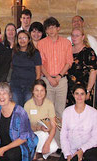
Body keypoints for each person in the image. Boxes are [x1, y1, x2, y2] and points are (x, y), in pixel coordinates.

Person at [37, 17, 73, 146]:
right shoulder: (41, 43)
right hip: (47, 80)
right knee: (47, 111)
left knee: (60, 111)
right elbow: (40, 63)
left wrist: (58, 77)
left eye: (53, 27)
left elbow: (69, 61)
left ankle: (59, 143)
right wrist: (50, 78)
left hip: (61, 80)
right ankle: (48, 143)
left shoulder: (66, 43)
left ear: (58, 28)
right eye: (48, 28)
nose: (50, 30)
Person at [0, 82, 38, 161]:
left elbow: (23, 139)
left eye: (4, 93)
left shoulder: (20, 112)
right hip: (2, 145)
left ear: (10, 95)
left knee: (11, 155)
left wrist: (4, 149)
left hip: (18, 146)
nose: (1, 96)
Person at [57, 84, 97, 161]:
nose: (79, 97)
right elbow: (63, 135)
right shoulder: (67, 111)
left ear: (86, 95)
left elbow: (95, 138)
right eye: (77, 93)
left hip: (87, 150)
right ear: (73, 95)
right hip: (71, 148)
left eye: (82, 94)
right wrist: (67, 154)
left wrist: (82, 150)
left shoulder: (93, 113)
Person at [24, 79, 58, 160]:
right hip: (31, 134)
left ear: (45, 91)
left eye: (42, 90)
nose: (39, 93)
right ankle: (33, 154)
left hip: (44, 134)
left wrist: (47, 143)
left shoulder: (49, 104)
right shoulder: (28, 105)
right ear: (33, 91)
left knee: (54, 147)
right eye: (37, 90)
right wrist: (38, 128)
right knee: (43, 134)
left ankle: (39, 153)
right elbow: (24, 127)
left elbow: (53, 126)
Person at [66, 28, 97, 107]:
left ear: (83, 37)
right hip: (69, 90)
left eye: (77, 35)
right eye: (73, 35)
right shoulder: (68, 50)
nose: (74, 38)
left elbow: (93, 72)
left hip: (83, 91)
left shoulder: (89, 52)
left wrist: (88, 90)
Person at [10, 30, 42, 106]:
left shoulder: (35, 53)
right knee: (17, 109)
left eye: (24, 38)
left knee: (28, 109)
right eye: (20, 38)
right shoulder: (13, 52)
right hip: (15, 86)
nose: (22, 40)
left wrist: (35, 87)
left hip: (30, 86)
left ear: (29, 39)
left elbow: (38, 73)